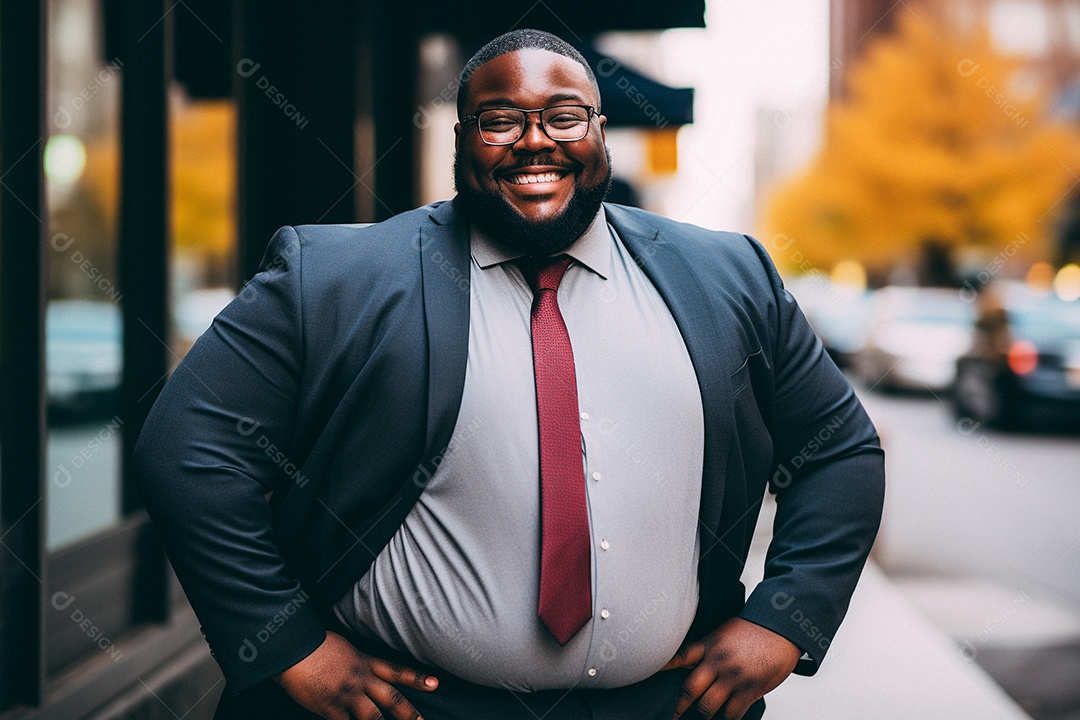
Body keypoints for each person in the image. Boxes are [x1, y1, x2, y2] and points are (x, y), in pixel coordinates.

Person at [134, 29, 885, 720]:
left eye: (565, 117)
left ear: (598, 131)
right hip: (412, 707)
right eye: (500, 120)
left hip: (668, 706)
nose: (535, 142)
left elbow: (837, 449)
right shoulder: (331, 278)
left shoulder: (730, 278)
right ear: (462, 139)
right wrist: (287, 644)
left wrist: (785, 618)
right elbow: (187, 451)